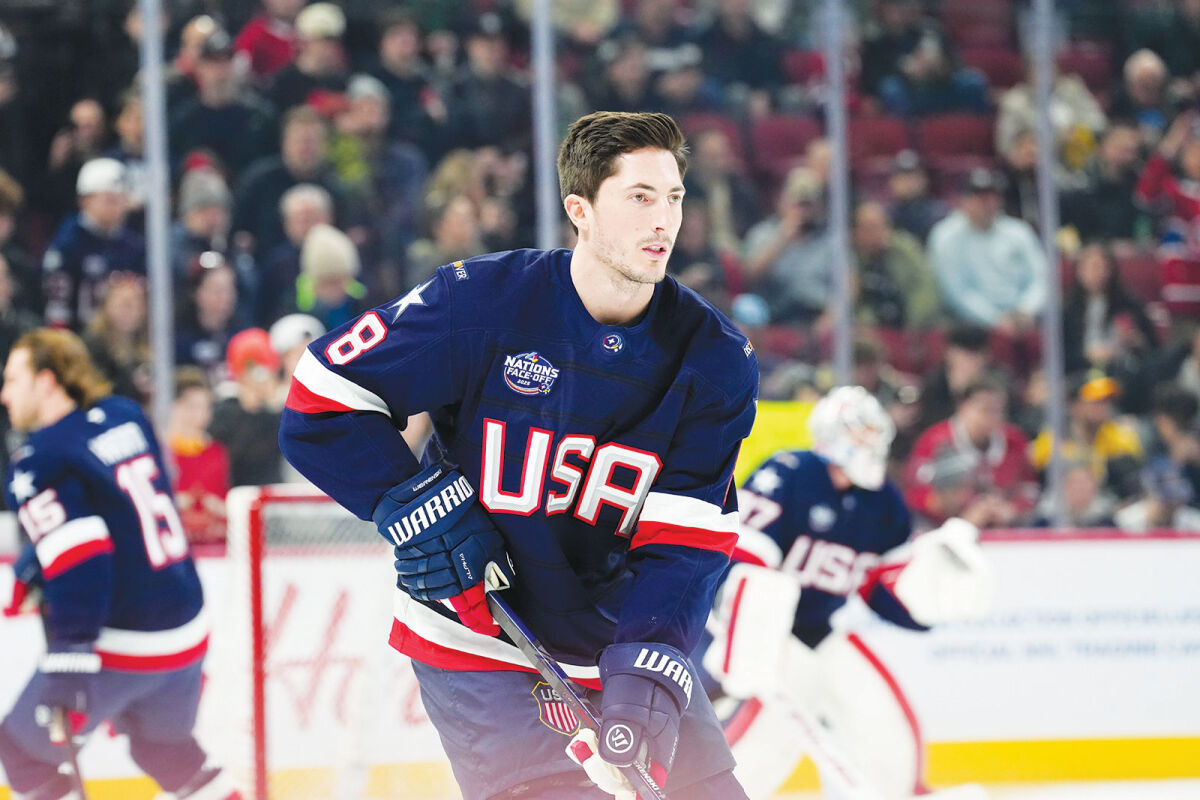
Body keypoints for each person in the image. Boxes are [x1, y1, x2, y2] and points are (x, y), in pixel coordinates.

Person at [278, 110, 757, 799]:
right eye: (640, 198)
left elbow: (683, 546)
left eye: (675, 197)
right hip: (479, 636)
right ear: (580, 210)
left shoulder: (715, 360)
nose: (664, 221)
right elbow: (321, 397)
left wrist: (646, 685)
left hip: (617, 634)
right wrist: (416, 507)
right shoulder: (480, 301)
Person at [703, 386, 993, 799]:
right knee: (769, 739)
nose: (870, 443)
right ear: (833, 434)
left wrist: (925, 602)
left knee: (881, 719)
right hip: (765, 634)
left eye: (875, 433)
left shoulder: (885, 502)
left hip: (824, 630)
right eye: (861, 432)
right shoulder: (789, 473)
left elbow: (879, 590)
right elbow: (739, 560)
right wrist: (748, 634)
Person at [0, 328, 239, 800]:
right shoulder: (125, 415)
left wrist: (69, 656)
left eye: (13, 379)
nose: (4, 393)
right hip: (187, 626)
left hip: (127, 639)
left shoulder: (40, 459)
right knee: (163, 750)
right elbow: (130, 510)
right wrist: (35, 560)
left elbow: (82, 559)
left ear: (47, 381)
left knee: (22, 754)